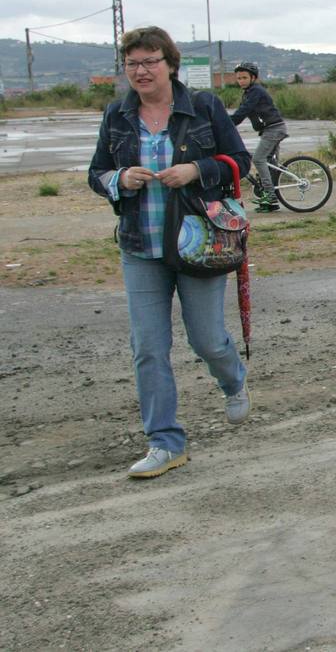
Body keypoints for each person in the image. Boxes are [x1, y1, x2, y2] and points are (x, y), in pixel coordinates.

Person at [87, 26, 252, 479]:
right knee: (148, 348)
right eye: (132, 64)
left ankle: (232, 377)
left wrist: (196, 169)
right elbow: (96, 172)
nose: (140, 71)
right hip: (140, 247)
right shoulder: (117, 116)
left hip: (198, 244)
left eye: (149, 62)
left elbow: (241, 161)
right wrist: (119, 180)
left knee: (206, 339)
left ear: (170, 65)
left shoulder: (203, 107)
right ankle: (165, 442)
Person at [229, 61, 288, 213]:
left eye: (244, 78)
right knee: (268, 162)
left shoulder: (255, 91)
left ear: (253, 78)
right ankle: (270, 201)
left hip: (274, 129)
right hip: (270, 129)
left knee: (258, 159)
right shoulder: (249, 92)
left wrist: (226, 125)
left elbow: (243, 111)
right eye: (239, 78)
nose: (241, 81)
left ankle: (270, 195)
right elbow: (242, 112)